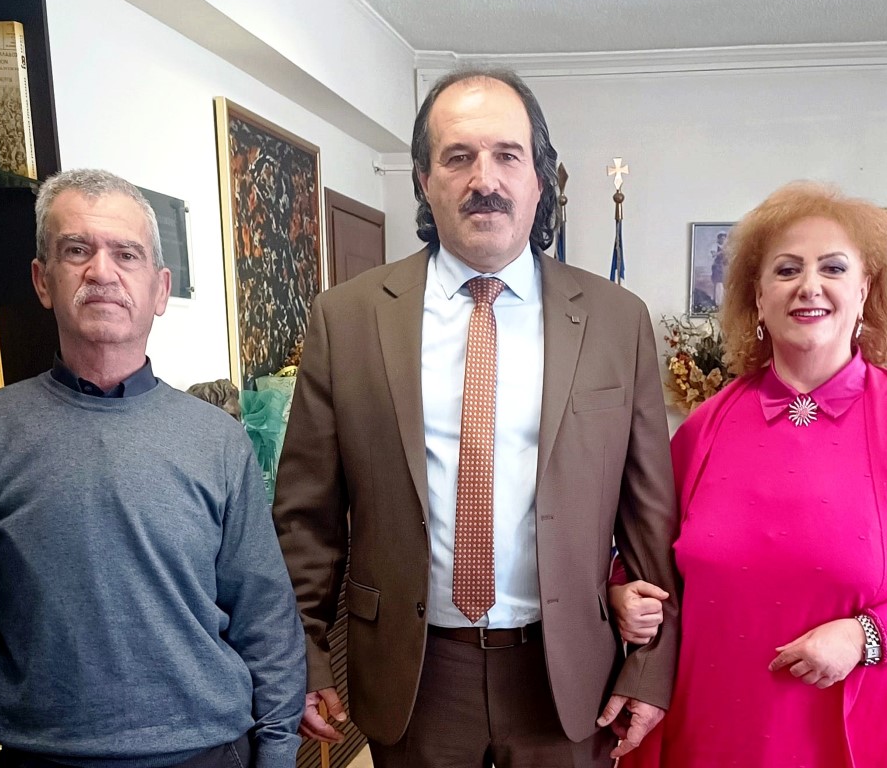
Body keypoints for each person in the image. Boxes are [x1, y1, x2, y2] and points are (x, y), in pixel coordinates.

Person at [272, 68, 680, 768]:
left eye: (507, 155)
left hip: (566, 671)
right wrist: (303, 654)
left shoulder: (616, 321)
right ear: (424, 181)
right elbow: (306, 517)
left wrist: (649, 665)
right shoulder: (347, 318)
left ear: (539, 179)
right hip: (415, 673)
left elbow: (649, 515)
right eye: (457, 156)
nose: (483, 179)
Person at [617, 182, 887, 767]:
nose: (809, 285)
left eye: (833, 268)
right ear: (757, 296)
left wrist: (868, 636)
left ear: (864, 291)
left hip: (871, 738)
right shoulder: (703, 430)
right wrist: (623, 594)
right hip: (711, 733)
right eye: (786, 269)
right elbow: (645, 562)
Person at [0, 169, 307, 768]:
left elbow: (265, 616)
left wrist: (278, 752)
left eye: (126, 254)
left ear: (159, 289)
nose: (102, 271)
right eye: (77, 250)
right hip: (43, 759)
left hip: (206, 752)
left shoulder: (218, 440)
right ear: (42, 280)